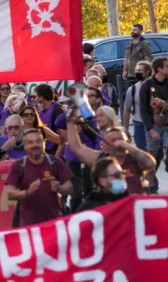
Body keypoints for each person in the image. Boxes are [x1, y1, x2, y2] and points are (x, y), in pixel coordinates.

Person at [4, 129, 73, 227]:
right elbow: (9, 193)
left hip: (55, 225)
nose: (34, 145)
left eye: (38, 141)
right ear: (25, 146)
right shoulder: (19, 165)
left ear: (44, 143)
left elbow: (70, 186)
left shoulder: (54, 162)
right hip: (28, 227)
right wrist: (27, 193)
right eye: (30, 142)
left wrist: (60, 188)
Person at [66, 121, 155, 195]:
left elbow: (150, 163)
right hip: (112, 208)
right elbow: (76, 148)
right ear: (106, 144)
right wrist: (71, 122)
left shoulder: (135, 159)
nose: (118, 143)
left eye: (121, 139)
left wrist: (126, 146)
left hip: (134, 207)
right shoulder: (101, 159)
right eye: (113, 140)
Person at [140, 57, 168, 191]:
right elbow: (143, 109)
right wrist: (150, 129)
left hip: (166, 124)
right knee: (152, 156)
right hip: (153, 124)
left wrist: (165, 105)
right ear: (159, 69)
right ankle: (149, 186)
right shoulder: (147, 85)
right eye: (166, 66)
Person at [123, 61, 153, 150]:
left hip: (154, 125)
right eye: (136, 70)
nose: (137, 73)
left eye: (140, 70)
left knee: (157, 153)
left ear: (147, 72)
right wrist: (126, 129)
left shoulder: (155, 86)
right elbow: (127, 109)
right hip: (139, 125)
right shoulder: (132, 89)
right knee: (142, 152)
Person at [32, 84, 65, 155]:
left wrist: (57, 156)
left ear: (41, 97)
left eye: (34, 97)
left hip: (55, 152)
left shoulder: (57, 110)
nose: (33, 100)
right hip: (46, 151)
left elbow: (64, 137)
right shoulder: (42, 111)